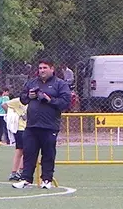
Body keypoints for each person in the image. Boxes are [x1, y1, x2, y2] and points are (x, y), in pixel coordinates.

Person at [12, 58, 72, 189]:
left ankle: (46, 180)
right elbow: (22, 99)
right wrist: (29, 96)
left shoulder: (60, 84)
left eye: (45, 68)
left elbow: (65, 103)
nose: (42, 71)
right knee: (29, 153)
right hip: (32, 125)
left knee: (48, 153)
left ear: (52, 69)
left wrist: (49, 99)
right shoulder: (32, 82)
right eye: (40, 68)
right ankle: (26, 179)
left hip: (50, 126)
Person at [4, 95, 28, 181]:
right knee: (20, 150)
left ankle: (19, 171)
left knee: (26, 150)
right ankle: (16, 172)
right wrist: (15, 115)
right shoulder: (17, 101)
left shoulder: (33, 101)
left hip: (29, 128)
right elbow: (4, 105)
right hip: (20, 128)